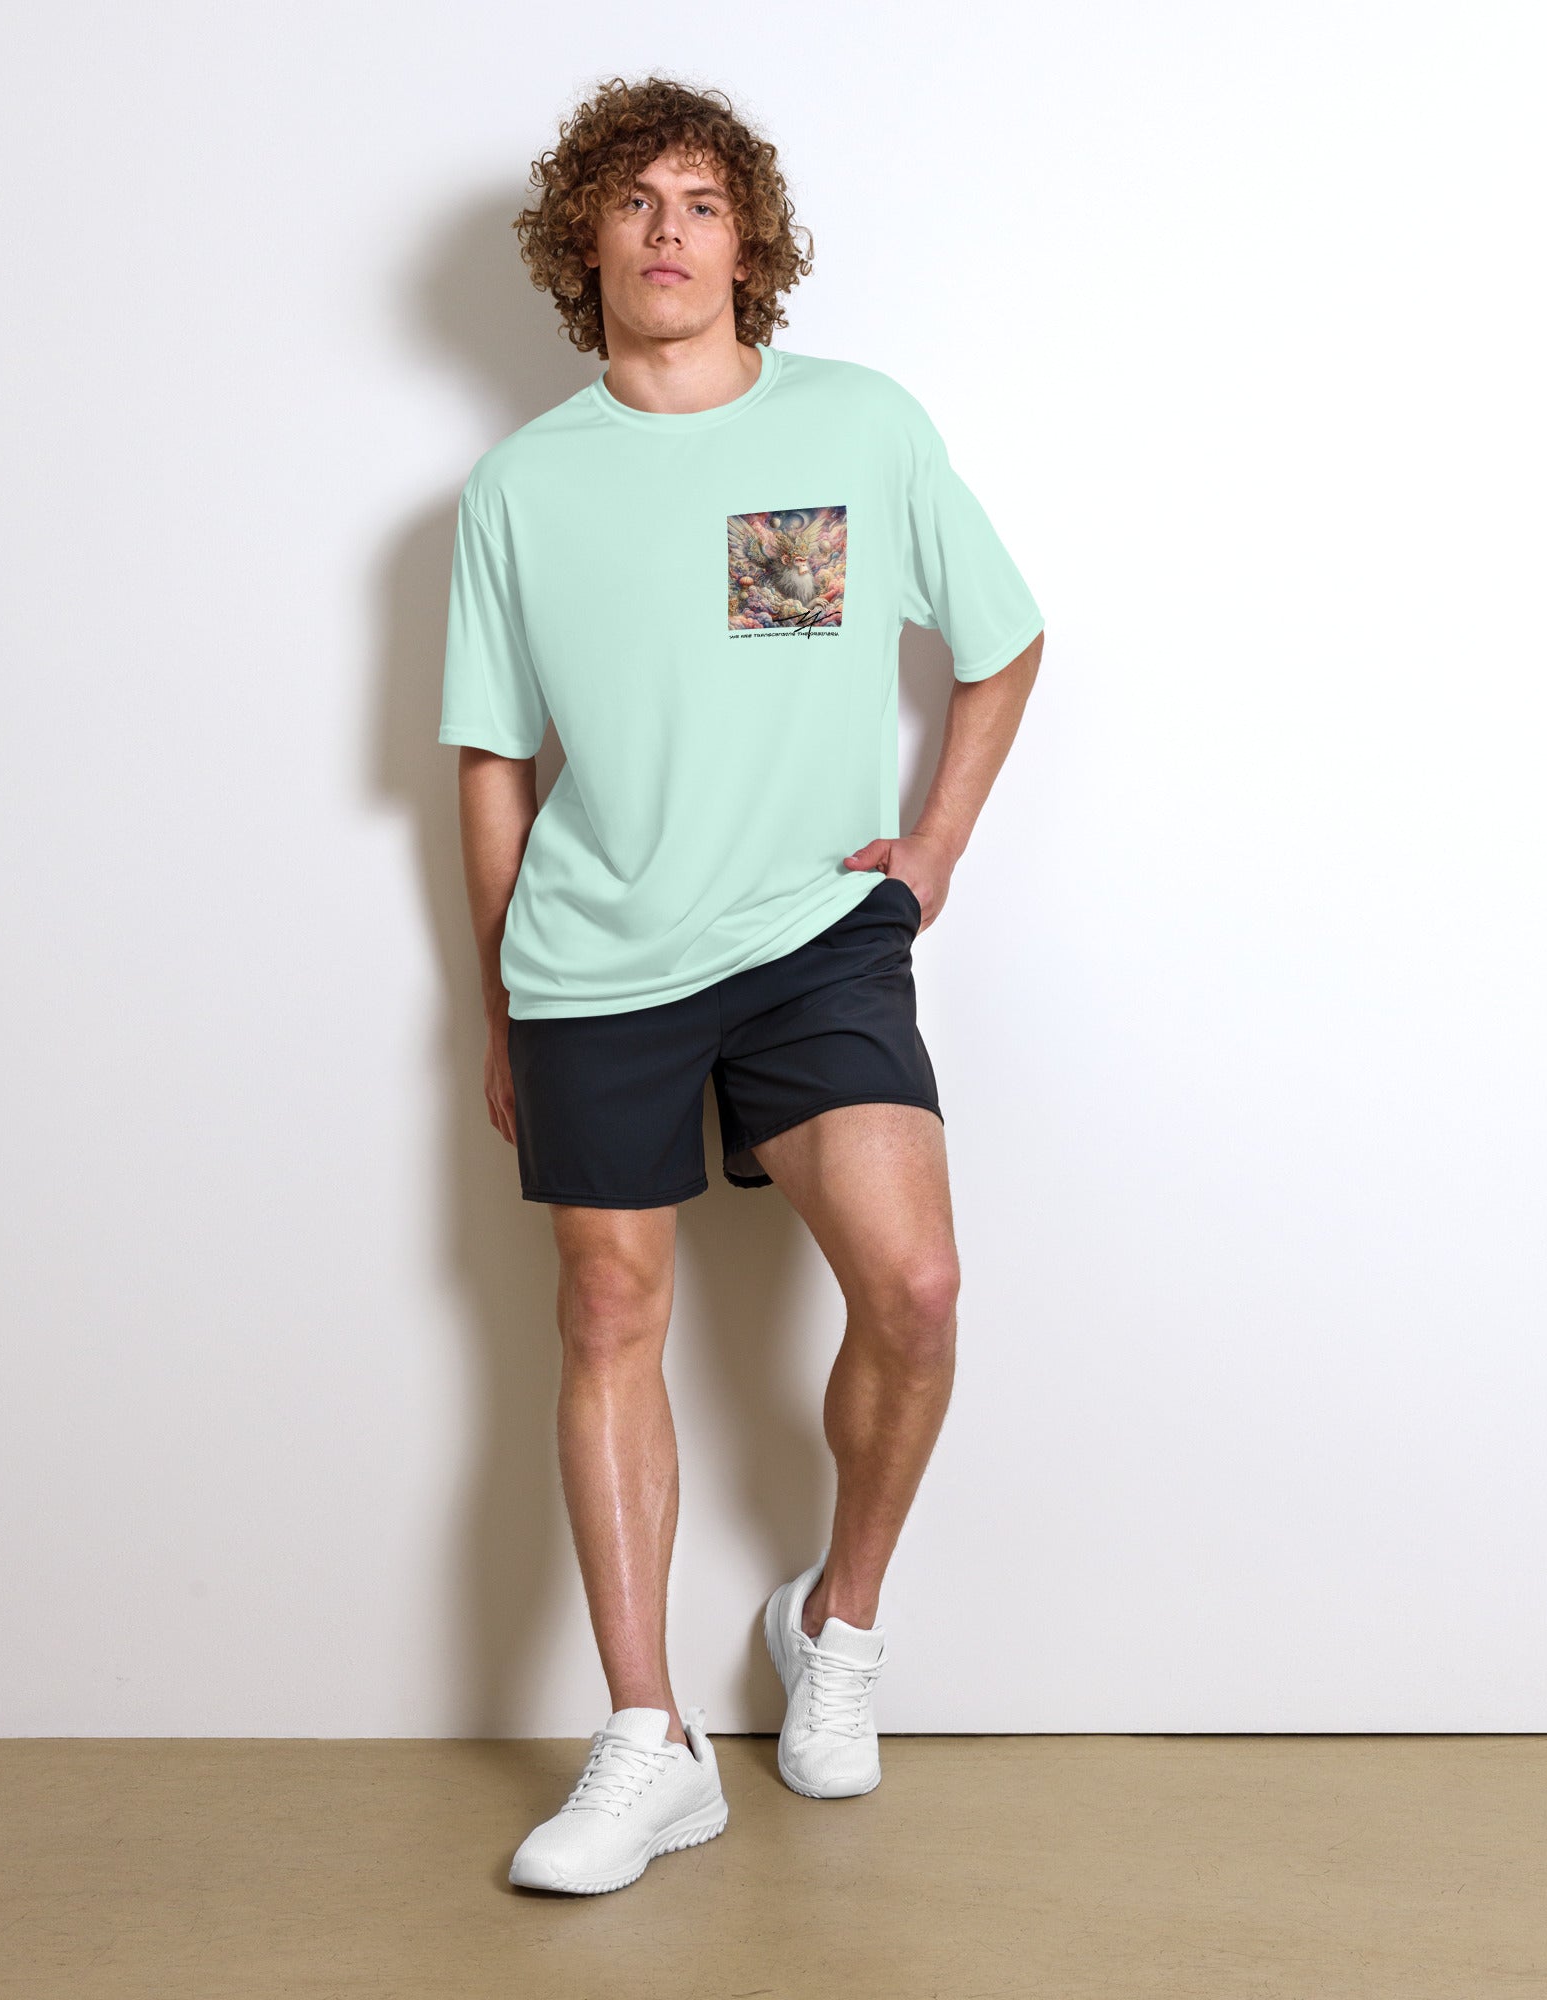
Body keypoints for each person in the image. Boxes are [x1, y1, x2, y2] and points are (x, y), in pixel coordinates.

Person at [439, 75, 1043, 1896]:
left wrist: (933, 849)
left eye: (701, 202)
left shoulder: (858, 424)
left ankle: (836, 1623)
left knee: (917, 1288)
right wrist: (499, 1007)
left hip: (812, 931)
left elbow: (1004, 642)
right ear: (586, 245)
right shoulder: (522, 485)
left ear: (747, 243)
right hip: (594, 957)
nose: (668, 232)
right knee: (607, 1316)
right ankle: (653, 1742)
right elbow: (493, 762)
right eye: (633, 203)